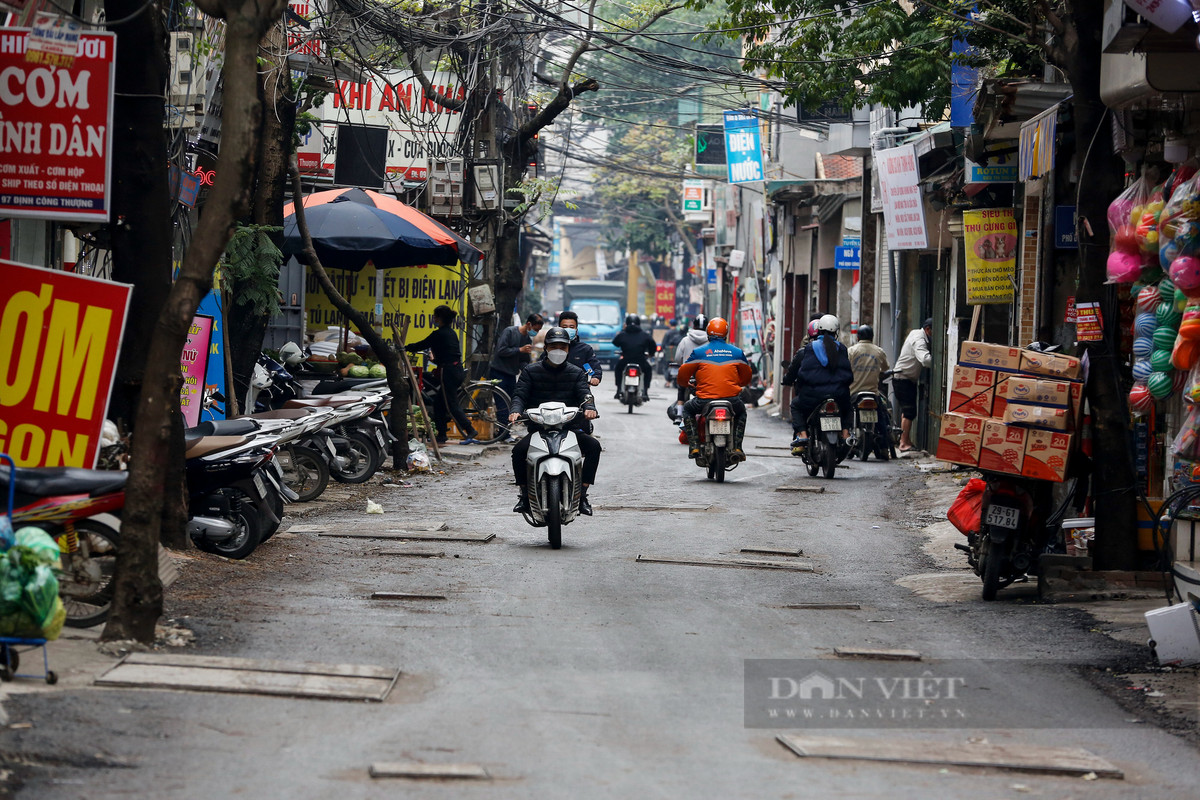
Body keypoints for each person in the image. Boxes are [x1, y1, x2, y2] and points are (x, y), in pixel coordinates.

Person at [508, 328, 601, 515]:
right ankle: (524, 496)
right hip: (538, 429)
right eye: (554, 346)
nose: (558, 350)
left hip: (570, 428)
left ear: (568, 349)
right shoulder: (530, 371)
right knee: (518, 452)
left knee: (594, 447)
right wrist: (516, 411)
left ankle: (582, 495)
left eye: (562, 346)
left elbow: (585, 395)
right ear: (546, 348)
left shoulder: (576, 373)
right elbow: (520, 395)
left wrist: (590, 408)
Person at [676, 317, 753, 461]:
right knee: (741, 412)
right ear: (726, 333)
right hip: (732, 400)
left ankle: (694, 446)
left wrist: (687, 384)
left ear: (708, 333)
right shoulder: (737, 353)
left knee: (687, 409)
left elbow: (682, 374)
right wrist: (737, 384)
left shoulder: (699, 353)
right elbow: (746, 377)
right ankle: (737, 447)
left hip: (704, 400)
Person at [406, 305, 479, 445]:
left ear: (440, 318)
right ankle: (442, 434)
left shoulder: (439, 334)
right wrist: (436, 360)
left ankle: (470, 430)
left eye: (435, 316)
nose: (434, 318)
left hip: (449, 373)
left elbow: (422, 344)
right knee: (439, 404)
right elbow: (448, 355)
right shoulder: (451, 333)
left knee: (451, 403)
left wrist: (405, 347)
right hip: (455, 370)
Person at [781, 314, 853, 448]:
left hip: (812, 396)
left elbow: (802, 374)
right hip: (839, 396)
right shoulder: (842, 348)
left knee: (795, 405)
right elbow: (848, 375)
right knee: (848, 407)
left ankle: (802, 435)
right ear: (836, 332)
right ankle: (845, 433)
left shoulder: (809, 348)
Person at [489, 313, 544, 438]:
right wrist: (519, 350)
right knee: (502, 404)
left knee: (512, 403)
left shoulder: (527, 340)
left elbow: (523, 360)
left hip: (511, 374)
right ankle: (503, 434)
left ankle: (505, 432)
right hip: (499, 372)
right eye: (535, 329)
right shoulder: (509, 332)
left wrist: (530, 370)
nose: (536, 332)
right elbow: (501, 350)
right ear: (529, 324)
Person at [893, 317, 933, 452]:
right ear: (928, 329)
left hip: (905, 379)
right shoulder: (919, 340)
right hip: (903, 379)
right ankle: (903, 443)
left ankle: (905, 439)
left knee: (907, 411)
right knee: (909, 412)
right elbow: (925, 360)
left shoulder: (915, 333)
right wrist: (938, 360)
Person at [847, 323, 892, 438]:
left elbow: (844, 368)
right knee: (882, 415)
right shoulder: (879, 351)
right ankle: (883, 446)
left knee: (846, 413)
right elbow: (886, 368)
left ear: (858, 338)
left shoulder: (851, 351)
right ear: (872, 337)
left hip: (853, 393)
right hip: (873, 393)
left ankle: (846, 436)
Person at [612, 313, 656, 401]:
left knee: (618, 369)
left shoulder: (622, 334)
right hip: (641, 361)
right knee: (648, 370)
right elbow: (653, 346)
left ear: (626, 323)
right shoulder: (645, 335)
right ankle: (645, 392)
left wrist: (623, 331)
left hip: (626, 360)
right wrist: (651, 354)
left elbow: (615, 342)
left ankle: (618, 390)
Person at [556, 311, 603, 387]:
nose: (568, 330)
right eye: (564, 327)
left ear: (576, 330)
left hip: (579, 389)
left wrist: (596, 377)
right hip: (556, 389)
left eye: (571, 327)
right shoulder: (552, 348)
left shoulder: (585, 349)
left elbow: (594, 366)